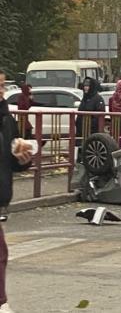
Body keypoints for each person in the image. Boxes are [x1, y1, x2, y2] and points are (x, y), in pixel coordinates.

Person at [0, 69, 33, 313]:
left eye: (2, 86)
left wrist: (22, 157)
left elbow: (10, 156)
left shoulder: (5, 117)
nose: (2, 92)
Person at [75, 77, 106, 152]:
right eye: (84, 86)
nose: (85, 88)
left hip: (92, 131)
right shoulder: (85, 98)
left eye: (88, 86)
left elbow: (99, 114)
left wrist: (91, 125)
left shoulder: (98, 99)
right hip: (81, 131)